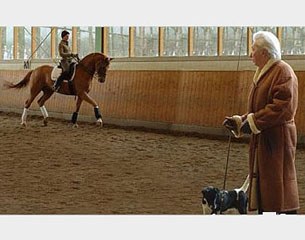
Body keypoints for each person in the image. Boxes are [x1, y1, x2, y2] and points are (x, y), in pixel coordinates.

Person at [223, 31, 299, 214]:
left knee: (278, 186)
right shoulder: (264, 72)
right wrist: (240, 121)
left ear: (265, 53)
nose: (250, 55)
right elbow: (259, 109)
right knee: (266, 184)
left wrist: (253, 121)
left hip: (277, 140)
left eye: (253, 50)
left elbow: (281, 107)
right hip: (265, 138)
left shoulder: (283, 71)